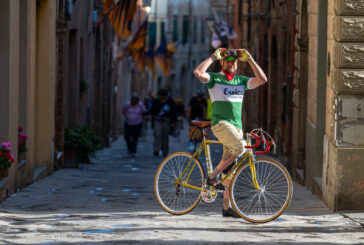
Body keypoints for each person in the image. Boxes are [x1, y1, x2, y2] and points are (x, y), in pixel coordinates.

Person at [193, 48, 267, 218]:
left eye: (234, 61)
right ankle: (212, 177)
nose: (232, 63)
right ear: (222, 62)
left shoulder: (240, 81)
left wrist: (250, 59)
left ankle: (226, 207)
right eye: (228, 61)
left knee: (230, 170)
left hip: (236, 128)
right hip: (220, 124)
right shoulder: (215, 79)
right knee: (240, 147)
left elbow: (262, 79)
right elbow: (198, 72)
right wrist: (212, 56)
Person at [150, 89, 177, 157]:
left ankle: (165, 150)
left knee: (165, 135)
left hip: (167, 121)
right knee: (158, 134)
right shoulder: (157, 101)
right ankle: (156, 150)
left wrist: (173, 121)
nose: (162, 98)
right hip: (158, 120)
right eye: (161, 96)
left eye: (163, 96)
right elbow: (152, 110)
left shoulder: (170, 101)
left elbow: (174, 112)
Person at [121, 93, 147, 157]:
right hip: (128, 123)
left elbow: (144, 111)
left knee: (135, 137)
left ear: (137, 101)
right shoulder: (127, 104)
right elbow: (123, 111)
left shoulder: (140, 105)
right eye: (132, 101)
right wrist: (128, 117)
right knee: (126, 135)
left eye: (135, 101)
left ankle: (133, 150)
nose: (133, 102)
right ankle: (129, 148)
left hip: (137, 123)